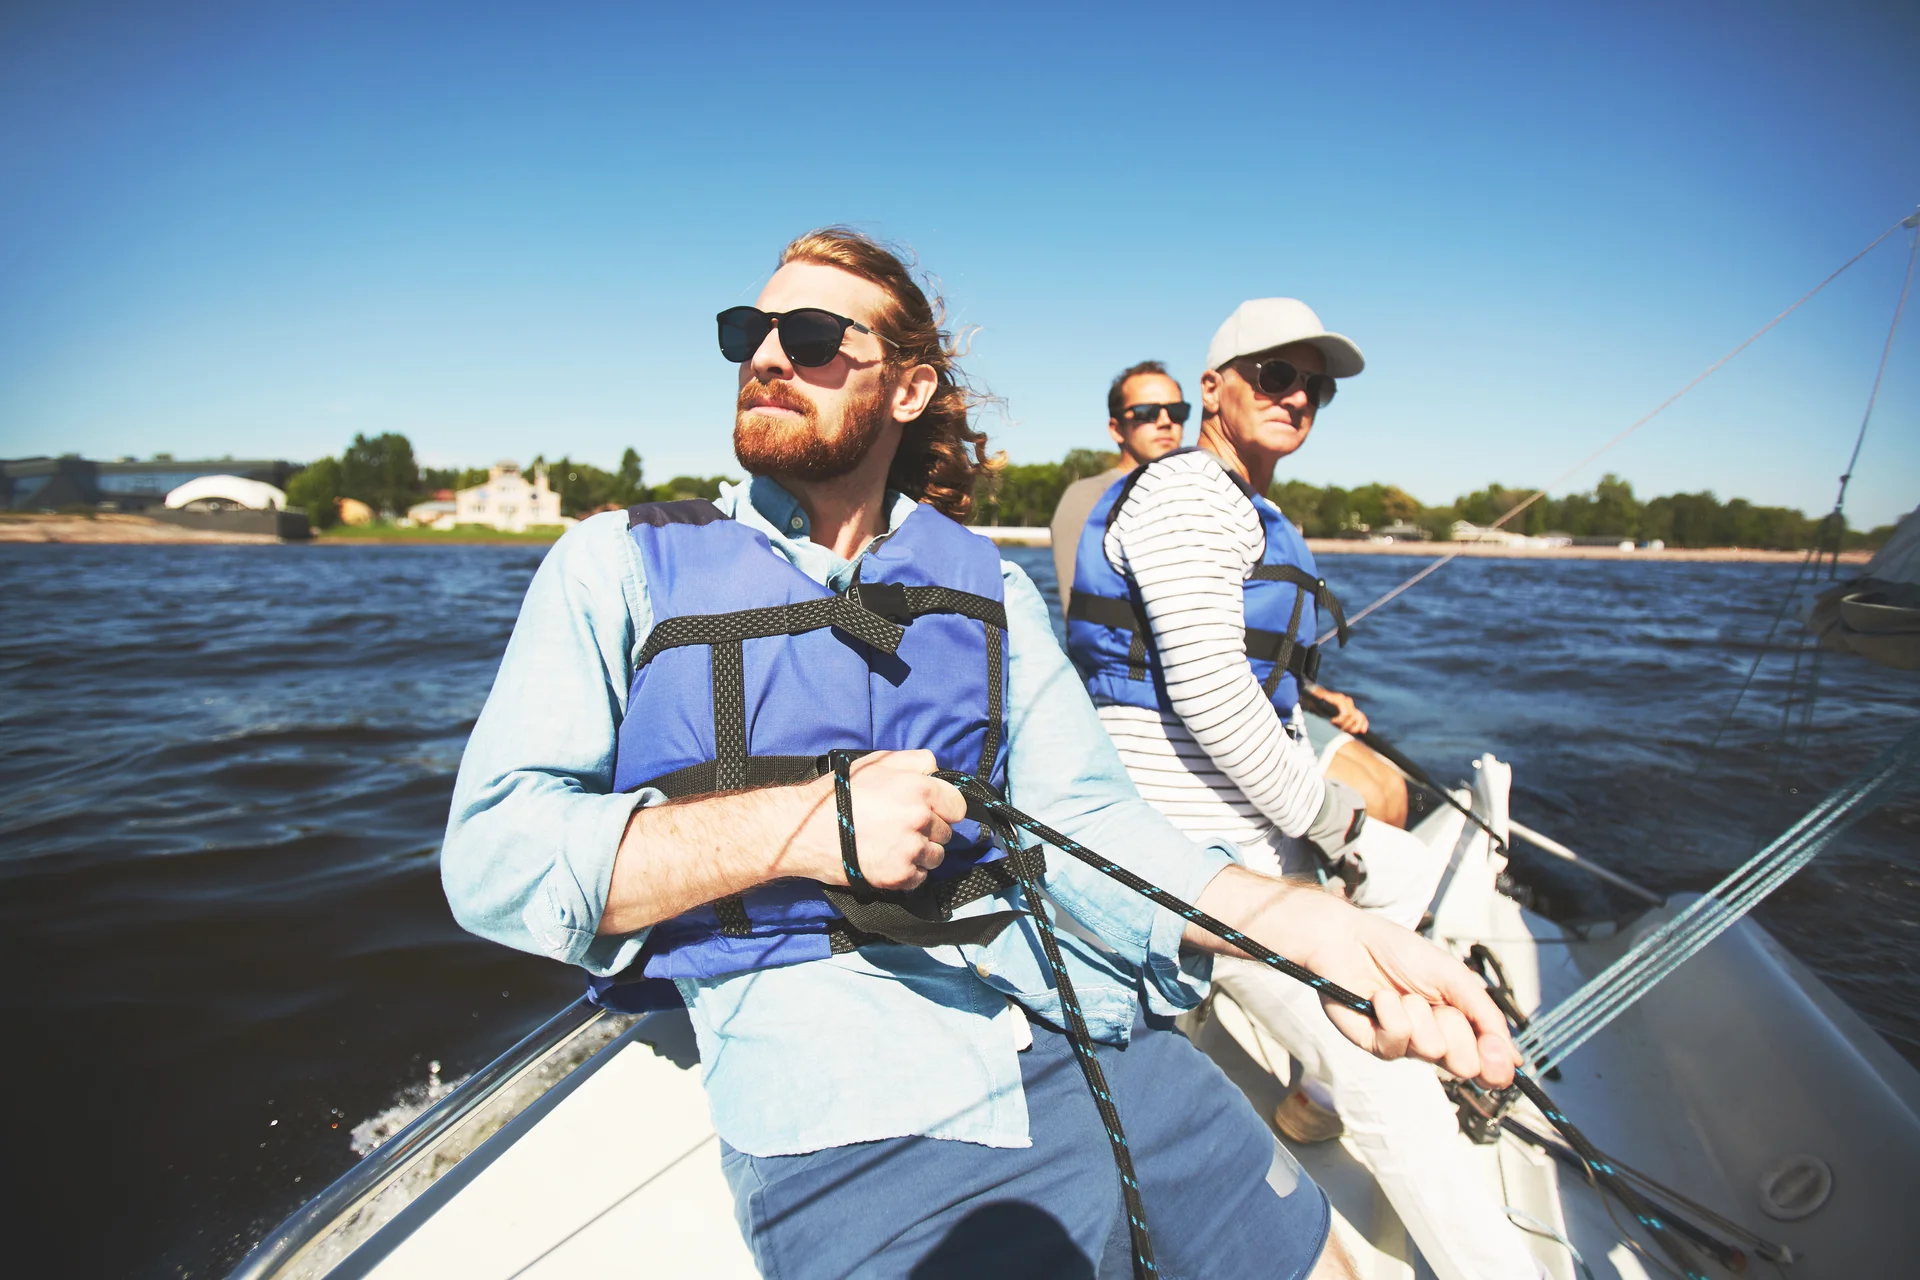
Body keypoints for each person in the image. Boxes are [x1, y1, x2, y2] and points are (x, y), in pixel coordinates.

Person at [441, 232, 1519, 1280]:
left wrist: (1303, 930)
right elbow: (493, 859)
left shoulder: (989, 589)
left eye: (813, 335)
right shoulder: (615, 565)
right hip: (857, 1119)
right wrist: (800, 825)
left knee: (1324, 1259)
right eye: (749, 331)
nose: (767, 355)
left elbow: (1096, 823)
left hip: (1088, 1027)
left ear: (905, 392)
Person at [1065, 297, 1544, 1280]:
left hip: (1239, 841)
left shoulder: (1247, 506)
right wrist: (1342, 828)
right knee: (1397, 1086)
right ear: (1213, 387)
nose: (1298, 396)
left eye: (1315, 385)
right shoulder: (1192, 494)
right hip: (1194, 857)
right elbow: (1206, 688)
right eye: (1274, 374)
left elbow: (1243, 673)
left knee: (1402, 883)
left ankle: (1308, 1095)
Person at [1049, 360, 1187, 614]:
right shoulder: (1087, 498)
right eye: (1147, 412)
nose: (1166, 421)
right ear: (1116, 429)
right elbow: (1080, 614)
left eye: (1177, 411)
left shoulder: (1201, 493)